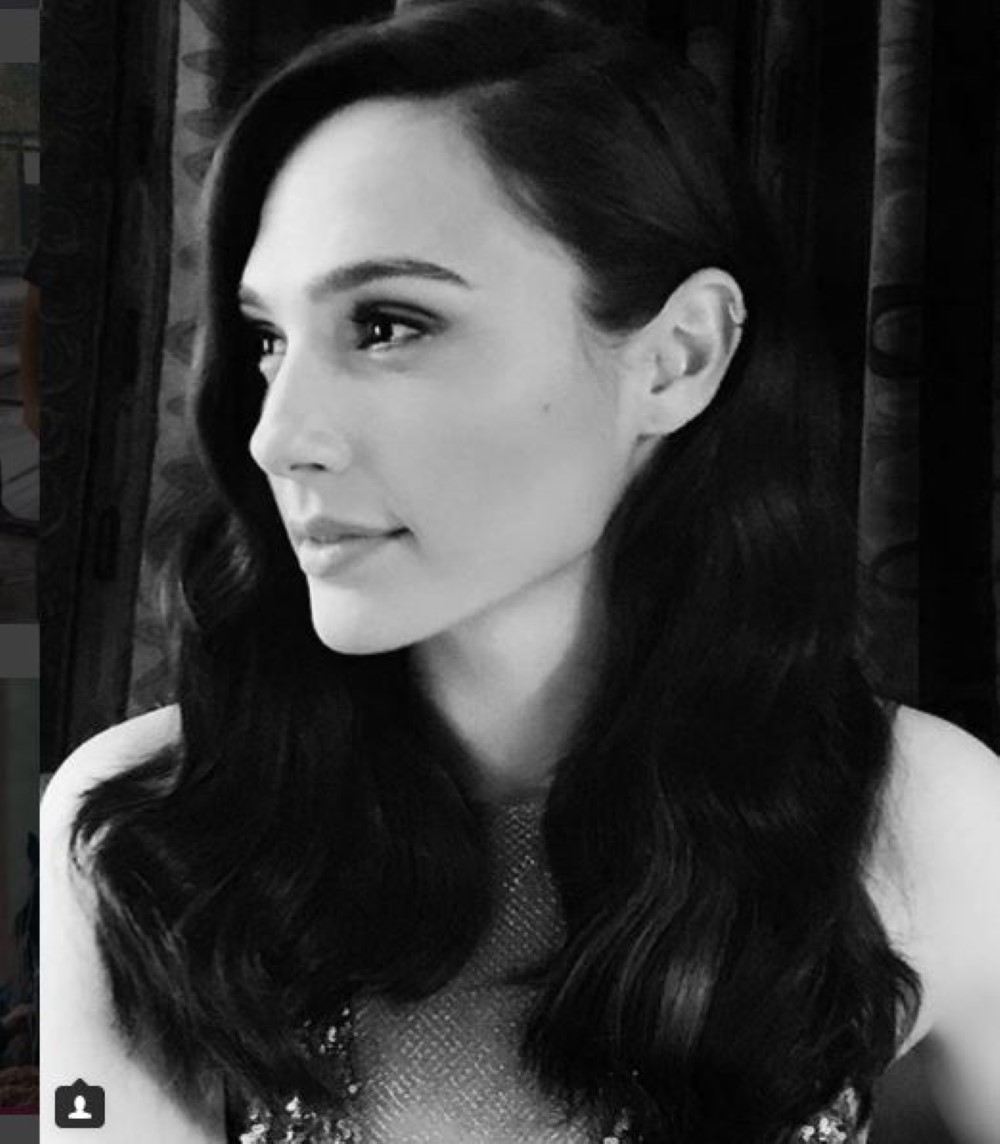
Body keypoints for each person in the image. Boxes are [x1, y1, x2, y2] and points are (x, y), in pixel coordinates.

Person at [41, 2, 1000, 1142]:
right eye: (267, 341)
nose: (276, 435)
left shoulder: (922, 818)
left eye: (389, 325)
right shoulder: (153, 824)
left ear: (677, 358)